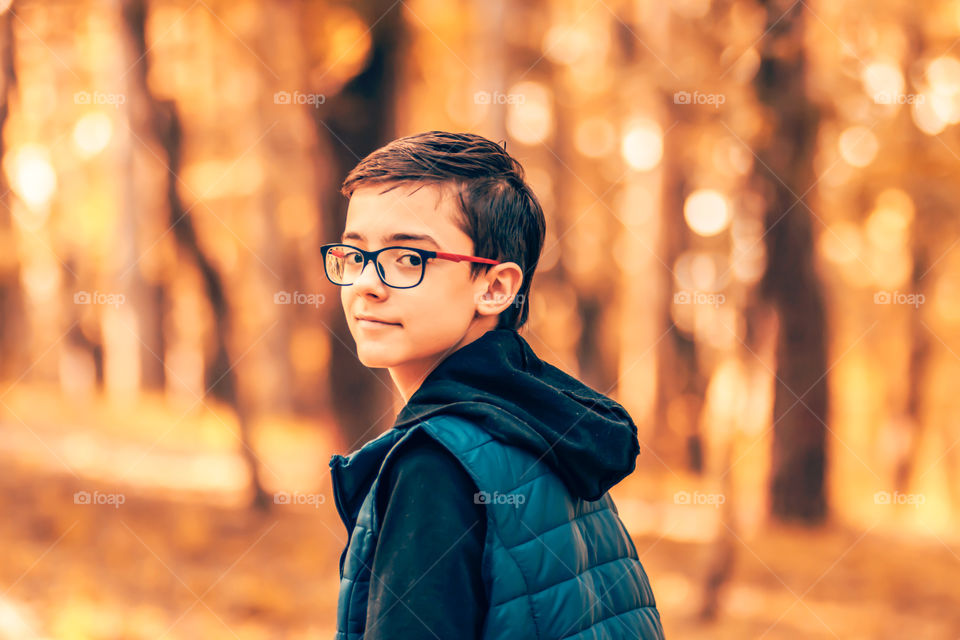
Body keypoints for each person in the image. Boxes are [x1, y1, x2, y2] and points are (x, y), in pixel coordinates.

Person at [327, 131, 665, 639]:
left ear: (495, 287)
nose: (366, 284)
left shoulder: (436, 463)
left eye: (408, 258)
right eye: (355, 256)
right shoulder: (546, 424)